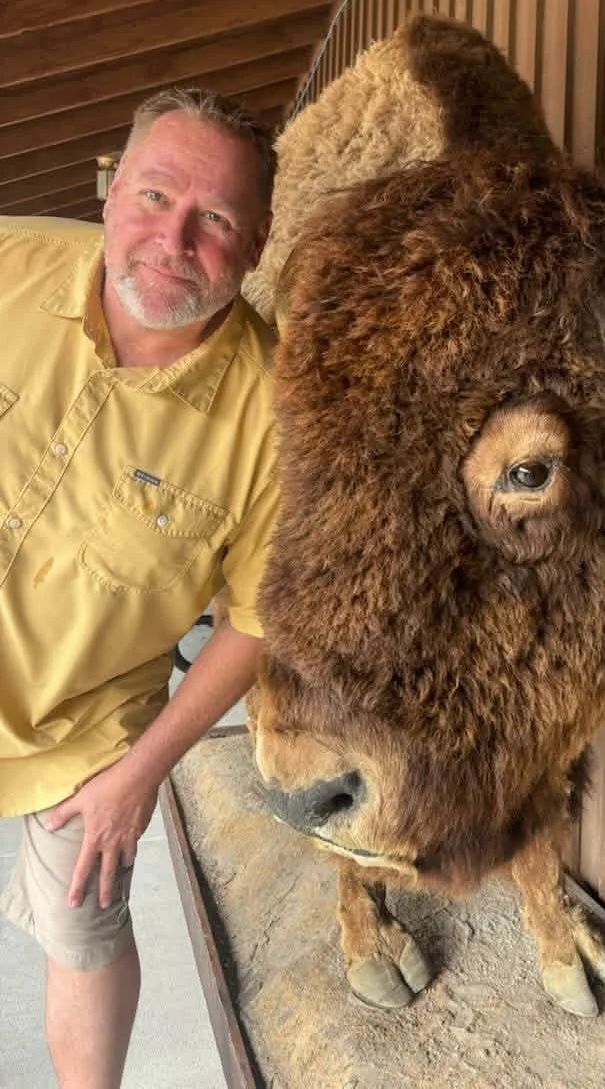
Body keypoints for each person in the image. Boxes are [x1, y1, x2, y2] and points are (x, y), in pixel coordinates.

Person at [0, 88, 279, 1089]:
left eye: (215, 220)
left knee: (82, 919)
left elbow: (254, 622)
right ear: (112, 188)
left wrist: (143, 772)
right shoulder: (9, 260)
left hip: (88, 715)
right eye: (156, 194)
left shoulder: (277, 417)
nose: (174, 237)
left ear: (257, 243)